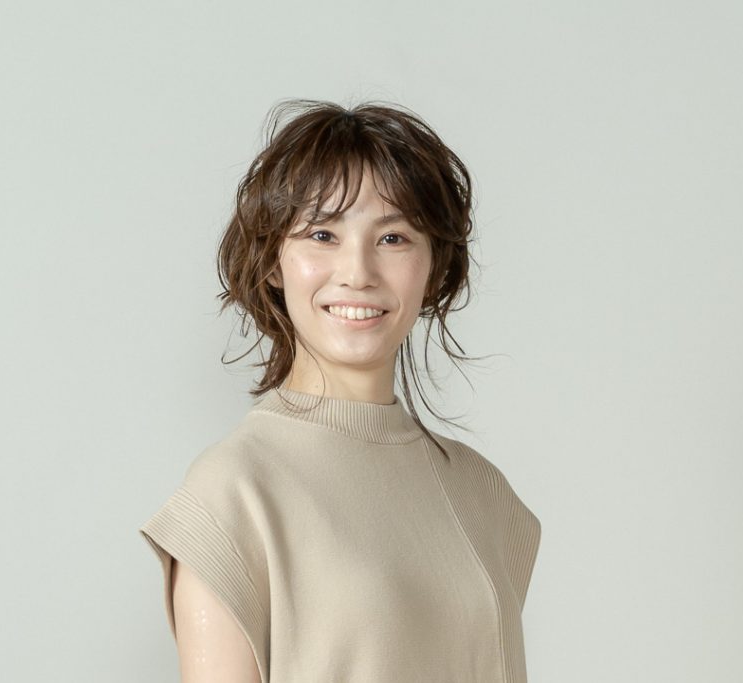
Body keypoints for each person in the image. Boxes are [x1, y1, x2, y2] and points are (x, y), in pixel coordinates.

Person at [139, 99, 542, 683]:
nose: (358, 272)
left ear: (434, 268)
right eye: (322, 234)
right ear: (273, 261)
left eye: (394, 237)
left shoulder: (483, 492)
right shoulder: (233, 493)